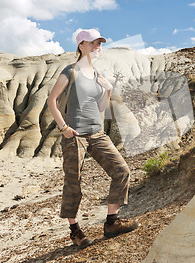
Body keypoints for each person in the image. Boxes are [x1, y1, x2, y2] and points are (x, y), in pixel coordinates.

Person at [47, 29, 139, 248]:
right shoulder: (70, 71)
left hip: (97, 133)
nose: (98, 47)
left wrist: (107, 90)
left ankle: (111, 223)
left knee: (121, 171)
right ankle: (76, 231)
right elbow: (52, 100)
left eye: (100, 43)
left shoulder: (97, 74)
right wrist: (64, 128)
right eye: (93, 43)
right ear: (81, 46)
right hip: (75, 135)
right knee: (73, 182)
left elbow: (100, 108)